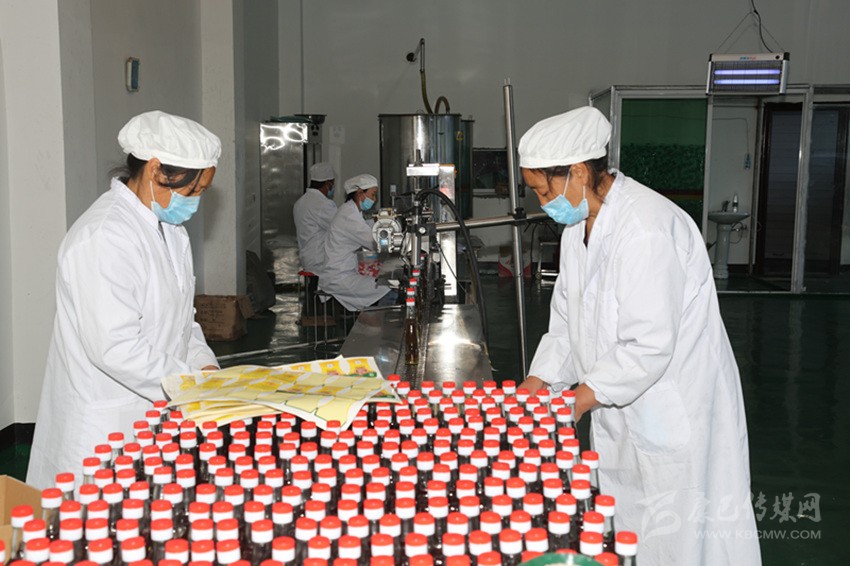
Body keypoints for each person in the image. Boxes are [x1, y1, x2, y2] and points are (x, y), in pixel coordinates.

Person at [517, 107, 761, 565]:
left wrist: (577, 401)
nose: (542, 202)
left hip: (673, 407)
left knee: (681, 537)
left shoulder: (647, 228)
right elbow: (567, 323)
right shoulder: (576, 230)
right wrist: (540, 381)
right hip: (620, 407)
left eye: (544, 189)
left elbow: (648, 344)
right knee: (629, 527)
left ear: (578, 172)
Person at [27, 110, 222, 489]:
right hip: (105, 425)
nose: (196, 202)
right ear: (156, 170)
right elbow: (114, 348)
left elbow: (183, 321)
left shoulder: (171, 230)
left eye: (203, 191)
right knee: (95, 518)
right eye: (192, 190)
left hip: (156, 411)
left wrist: (205, 366)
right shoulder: (104, 236)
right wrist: (191, 385)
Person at [318, 174, 393, 311]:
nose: (374, 199)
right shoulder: (349, 215)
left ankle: (373, 318)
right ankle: (379, 320)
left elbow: (365, 227)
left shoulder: (351, 211)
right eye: (373, 194)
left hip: (343, 272)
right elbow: (373, 241)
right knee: (388, 286)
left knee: (386, 283)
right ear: (360, 193)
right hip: (339, 278)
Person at [293, 162, 337, 274]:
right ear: (327, 183)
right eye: (332, 183)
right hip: (320, 262)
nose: (333, 187)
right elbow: (340, 227)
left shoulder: (300, 202)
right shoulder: (323, 204)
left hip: (307, 259)